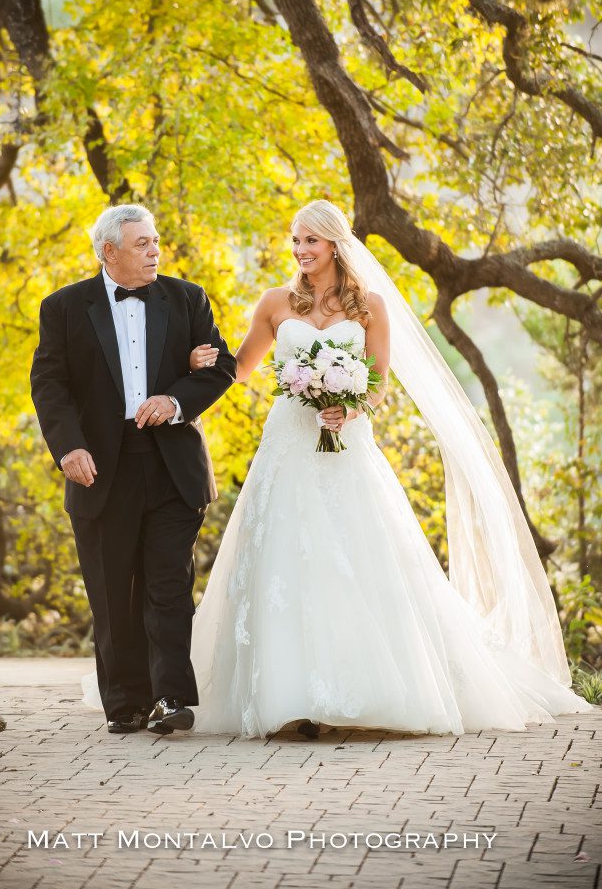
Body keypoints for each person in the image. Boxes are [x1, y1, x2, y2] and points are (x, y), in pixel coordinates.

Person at [183, 199, 594, 738]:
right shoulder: (274, 303)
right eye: (296, 240)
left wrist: (349, 406)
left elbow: (377, 383)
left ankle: (353, 691)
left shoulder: (369, 305)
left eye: (311, 240)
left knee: (352, 559)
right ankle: (289, 696)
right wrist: (202, 360)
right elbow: (241, 369)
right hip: (287, 444)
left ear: (334, 243)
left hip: (347, 447)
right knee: (283, 557)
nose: (301, 250)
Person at [30, 203, 236, 735]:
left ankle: (171, 698)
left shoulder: (188, 298)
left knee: (168, 586)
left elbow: (222, 368)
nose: (154, 251)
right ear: (109, 252)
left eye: (156, 241)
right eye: (142, 244)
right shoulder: (64, 308)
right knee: (111, 591)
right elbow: (49, 386)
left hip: (172, 466)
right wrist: (68, 449)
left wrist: (174, 399)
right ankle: (124, 703)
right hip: (100, 468)